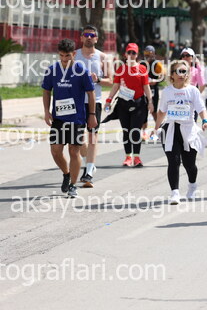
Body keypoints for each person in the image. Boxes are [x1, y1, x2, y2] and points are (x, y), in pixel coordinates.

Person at [42, 39, 98, 197]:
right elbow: (46, 91)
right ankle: (66, 173)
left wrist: (92, 115)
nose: (64, 59)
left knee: (74, 151)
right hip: (59, 118)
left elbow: (91, 93)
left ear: (73, 54)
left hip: (77, 118)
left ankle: (73, 185)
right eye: (61, 56)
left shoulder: (81, 71)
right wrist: (46, 111)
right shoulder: (52, 70)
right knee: (55, 151)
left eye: (67, 56)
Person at [154, 61, 207, 205]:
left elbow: (201, 108)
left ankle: (192, 185)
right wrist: (156, 129)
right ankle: (175, 193)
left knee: (189, 164)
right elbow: (161, 112)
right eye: (179, 71)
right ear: (172, 75)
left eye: (185, 72)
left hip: (188, 130)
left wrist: (205, 121)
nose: (182, 74)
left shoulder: (193, 91)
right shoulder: (167, 91)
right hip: (171, 129)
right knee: (173, 161)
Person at [104, 43, 154, 166]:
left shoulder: (142, 69)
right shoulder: (121, 69)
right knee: (126, 131)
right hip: (123, 104)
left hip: (139, 104)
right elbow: (116, 85)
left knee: (135, 130)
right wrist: (109, 100)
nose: (131, 55)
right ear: (125, 54)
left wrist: (150, 102)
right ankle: (128, 157)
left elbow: (146, 86)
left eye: (134, 53)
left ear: (137, 55)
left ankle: (136, 157)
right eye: (129, 52)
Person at [75, 25, 112, 187]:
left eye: (92, 35)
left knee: (92, 136)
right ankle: (88, 162)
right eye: (86, 35)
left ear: (96, 39)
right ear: (81, 37)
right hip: (76, 101)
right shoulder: (74, 55)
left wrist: (98, 80)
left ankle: (89, 172)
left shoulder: (103, 57)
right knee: (77, 138)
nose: (89, 37)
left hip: (94, 101)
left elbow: (111, 81)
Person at [140, 45, 165, 140]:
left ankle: (159, 130)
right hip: (143, 90)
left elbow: (162, 76)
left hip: (153, 90)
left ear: (154, 54)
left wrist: (156, 81)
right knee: (143, 111)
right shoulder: (141, 63)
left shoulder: (157, 64)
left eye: (150, 54)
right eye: (146, 53)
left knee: (154, 112)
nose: (148, 56)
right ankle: (144, 132)